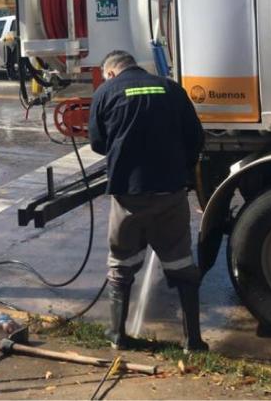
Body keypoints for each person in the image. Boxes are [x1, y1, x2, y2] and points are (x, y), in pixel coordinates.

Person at [87, 50, 207, 352]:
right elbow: (195, 138)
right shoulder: (171, 88)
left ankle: (118, 336)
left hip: (128, 194)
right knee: (180, 261)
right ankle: (192, 340)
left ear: (111, 72)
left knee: (121, 263)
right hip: (170, 192)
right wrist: (182, 172)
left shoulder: (105, 92)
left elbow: (98, 143)